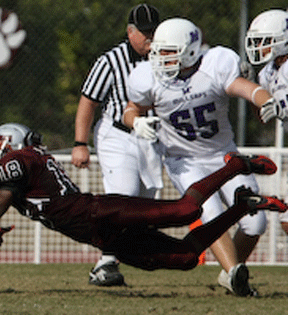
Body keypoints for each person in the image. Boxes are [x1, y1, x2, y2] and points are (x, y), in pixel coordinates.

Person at [0, 123, 286, 293]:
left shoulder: (17, 161)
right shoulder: (21, 158)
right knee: (186, 258)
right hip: (103, 236)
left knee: (186, 210)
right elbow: (3, 160)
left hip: (99, 213)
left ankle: (235, 166)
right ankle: (242, 205)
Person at [122, 17, 280, 296]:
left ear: (191, 50)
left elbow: (245, 88)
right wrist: (136, 122)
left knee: (256, 222)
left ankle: (230, 272)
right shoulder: (149, 78)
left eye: (169, 51)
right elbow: (131, 108)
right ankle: (235, 276)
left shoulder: (214, 66)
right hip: (184, 160)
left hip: (223, 156)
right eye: (159, 50)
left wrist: (265, 100)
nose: (161, 57)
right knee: (212, 215)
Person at [71, 3, 162, 287]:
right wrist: (80, 143)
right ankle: (105, 262)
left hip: (151, 138)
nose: (150, 38)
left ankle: (132, 254)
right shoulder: (110, 61)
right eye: (144, 33)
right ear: (129, 32)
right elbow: (88, 101)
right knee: (123, 195)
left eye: (154, 32)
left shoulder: (165, 56)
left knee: (145, 205)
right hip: (118, 136)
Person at [245, 9, 288, 236]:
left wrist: (282, 108)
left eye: (265, 41)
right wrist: (251, 86)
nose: (259, 47)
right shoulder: (268, 72)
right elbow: (261, 117)